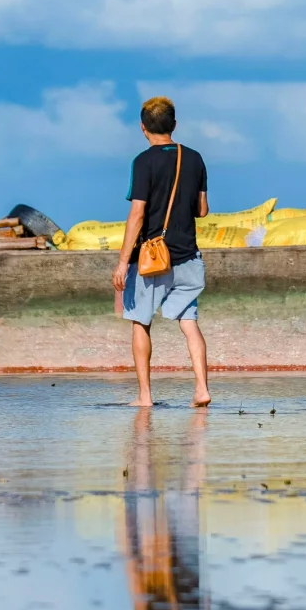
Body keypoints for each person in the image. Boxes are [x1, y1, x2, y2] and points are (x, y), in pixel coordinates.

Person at [112, 97, 211, 408]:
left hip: (152, 258)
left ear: (143, 129)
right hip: (188, 256)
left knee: (141, 321)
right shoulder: (193, 158)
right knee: (189, 320)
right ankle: (201, 388)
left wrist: (121, 261)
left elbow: (137, 214)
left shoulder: (143, 162)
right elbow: (203, 210)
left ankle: (144, 396)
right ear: (174, 125)